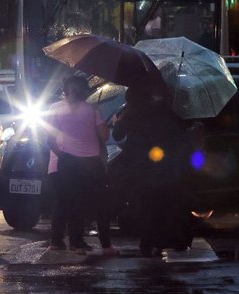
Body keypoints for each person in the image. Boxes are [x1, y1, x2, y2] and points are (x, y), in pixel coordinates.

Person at [111, 87, 191, 256]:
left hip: (141, 165)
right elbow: (180, 132)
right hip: (166, 165)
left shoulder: (132, 113)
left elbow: (118, 135)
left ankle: (147, 242)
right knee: (165, 203)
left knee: (145, 205)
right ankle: (166, 239)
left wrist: (119, 121)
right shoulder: (166, 112)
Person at [45, 75, 115, 255]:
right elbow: (104, 136)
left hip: (62, 162)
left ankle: (57, 240)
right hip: (89, 163)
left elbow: (49, 139)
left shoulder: (54, 109)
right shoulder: (92, 109)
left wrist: (62, 155)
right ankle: (78, 242)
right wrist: (111, 122)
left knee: (63, 202)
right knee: (85, 203)